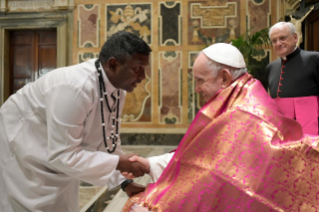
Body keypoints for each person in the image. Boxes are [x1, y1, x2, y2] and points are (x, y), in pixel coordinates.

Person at [122, 43, 319, 212]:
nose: (197, 89)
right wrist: (150, 165)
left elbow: (212, 172)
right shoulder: (240, 94)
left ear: (224, 78)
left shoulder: (245, 111)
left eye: (200, 80)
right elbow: (205, 156)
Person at [0, 31, 151, 212]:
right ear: (113, 64)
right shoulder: (74, 88)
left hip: (57, 150)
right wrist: (119, 163)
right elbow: (62, 156)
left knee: (60, 202)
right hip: (23, 142)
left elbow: (108, 140)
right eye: (137, 68)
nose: (143, 77)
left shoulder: (118, 90)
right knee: (26, 203)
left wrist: (125, 182)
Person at [266, 22, 319, 135]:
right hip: (281, 129)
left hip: (311, 127)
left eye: (282, 38)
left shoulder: (314, 59)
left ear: (295, 37)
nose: (278, 43)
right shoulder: (271, 67)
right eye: (274, 41)